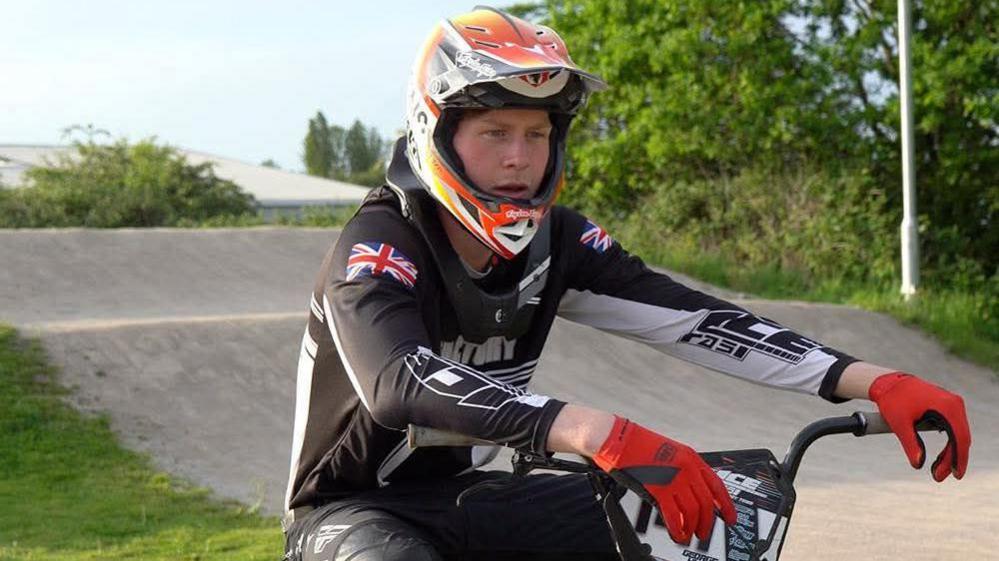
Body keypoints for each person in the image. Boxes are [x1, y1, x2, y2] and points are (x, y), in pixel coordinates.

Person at [282, 7, 971, 561]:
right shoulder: (379, 242)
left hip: (471, 496)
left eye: (536, 133)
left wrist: (875, 380)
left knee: (717, 515)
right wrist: (595, 430)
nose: (519, 158)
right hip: (346, 512)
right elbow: (398, 381)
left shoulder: (558, 241)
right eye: (494, 132)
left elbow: (696, 320)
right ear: (434, 131)